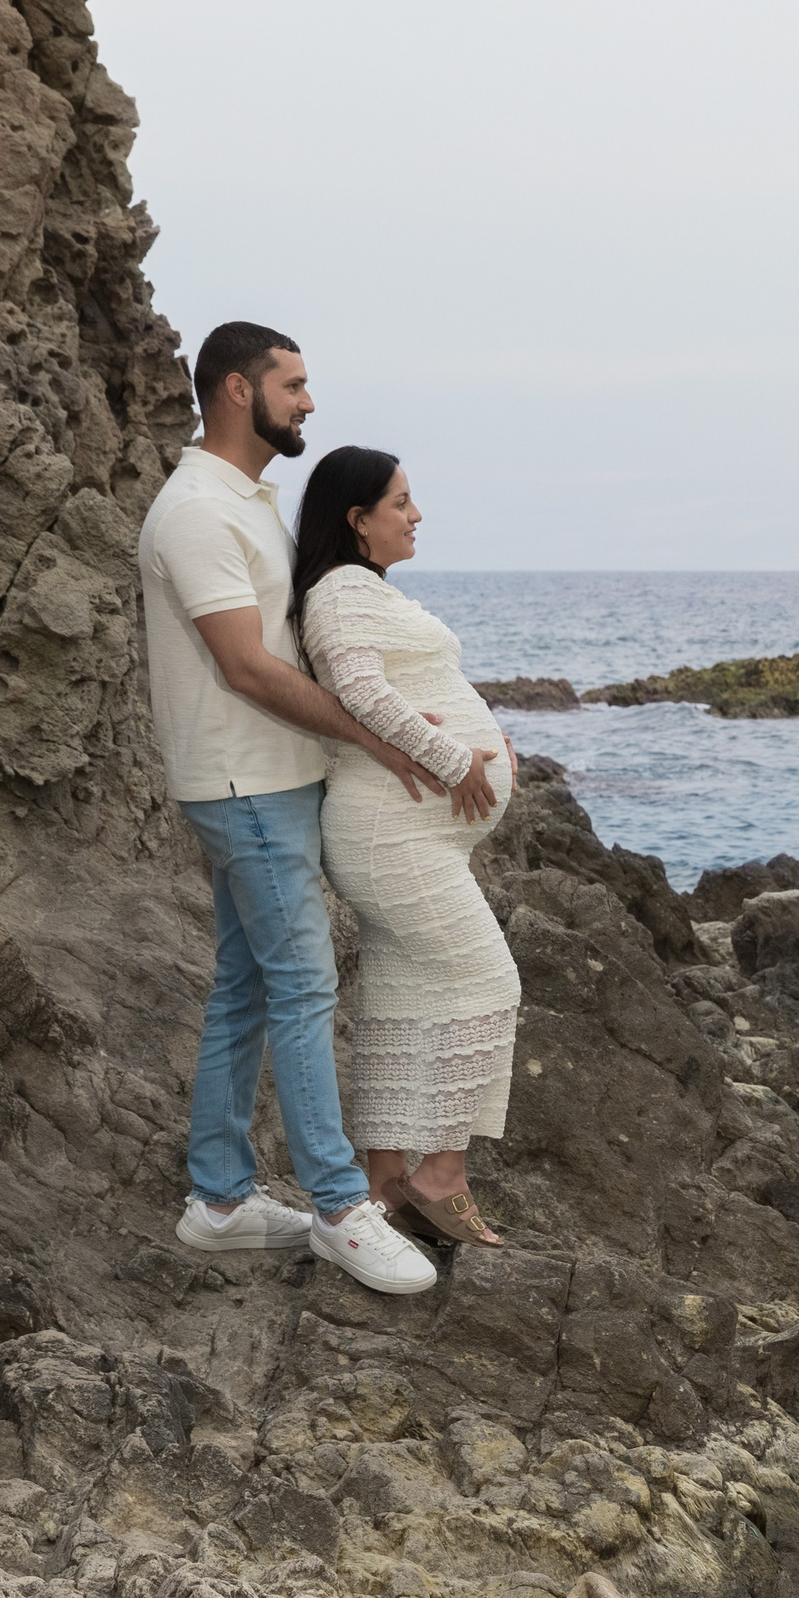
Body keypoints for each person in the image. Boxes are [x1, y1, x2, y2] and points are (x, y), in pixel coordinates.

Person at [137, 322, 479, 1295]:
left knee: (247, 989)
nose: (309, 403)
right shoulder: (197, 511)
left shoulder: (246, 499)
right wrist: (375, 736)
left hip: (270, 777)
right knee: (304, 988)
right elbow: (243, 666)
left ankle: (219, 1202)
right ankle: (339, 1209)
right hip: (244, 783)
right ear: (239, 392)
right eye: (293, 385)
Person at [291, 446, 519, 1247]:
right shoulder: (341, 592)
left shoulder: (356, 589)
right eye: (401, 502)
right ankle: (441, 1175)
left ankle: (385, 1181)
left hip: (405, 834)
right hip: (394, 835)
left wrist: (489, 737)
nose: (416, 515)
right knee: (490, 978)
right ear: (357, 520)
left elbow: (406, 687)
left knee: (402, 1000)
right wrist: (460, 761)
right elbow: (358, 690)